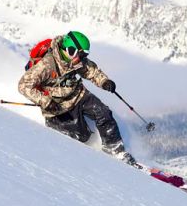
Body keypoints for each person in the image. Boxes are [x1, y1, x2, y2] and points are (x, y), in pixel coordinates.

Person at [18, 31, 137, 166]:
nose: (82, 58)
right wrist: (46, 101)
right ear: (70, 51)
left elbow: (91, 71)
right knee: (81, 136)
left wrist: (104, 81)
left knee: (103, 113)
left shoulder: (76, 60)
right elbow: (24, 85)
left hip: (78, 95)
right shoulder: (47, 65)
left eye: (84, 55)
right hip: (57, 106)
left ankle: (116, 150)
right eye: (81, 55)